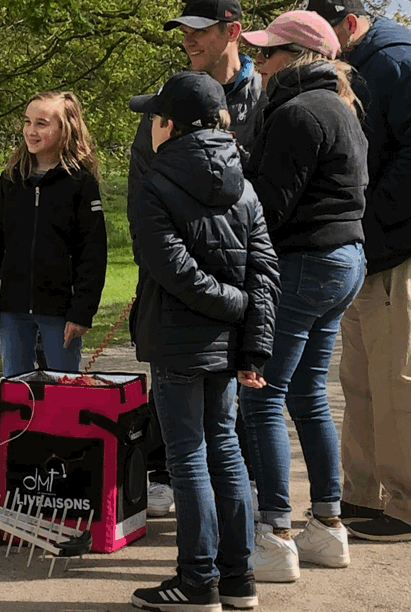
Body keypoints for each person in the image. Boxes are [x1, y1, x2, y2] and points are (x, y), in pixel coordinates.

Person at [304, 0, 411, 542]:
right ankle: (363, 495)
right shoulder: (361, 58)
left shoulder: (395, 57)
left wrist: (373, 220)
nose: (318, 53)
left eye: (322, 40)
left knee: (398, 382)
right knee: (361, 380)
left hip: (404, 247)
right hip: (373, 249)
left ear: (348, 23)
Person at [129, 70, 280, 612]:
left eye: (153, 118)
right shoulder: (245, 183)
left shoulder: (155, 183)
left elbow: (173, 270)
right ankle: (237, 578)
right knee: (226, 451)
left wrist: (240, 312)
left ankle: (198, 580)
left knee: (192, 455)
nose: (149, 127)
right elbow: (264, 270)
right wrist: (252, 339)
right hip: (224, 342)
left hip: (179, 343)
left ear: (169, 125)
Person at [236, 10, 368, 581]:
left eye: (265, 54)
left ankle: (274, 534)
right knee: (308, 394)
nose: (257, 63)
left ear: (295, 57)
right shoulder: (341, 106)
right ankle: (329, 528)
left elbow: (268, 206)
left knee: (263, 396)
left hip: (306, 263)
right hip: (346, 261)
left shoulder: (295, 112)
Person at [127, 0, 264, 518]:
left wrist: (243, 298)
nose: (187, 39)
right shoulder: (170, 99)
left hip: (233, 275)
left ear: (232, 32)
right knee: (190, 431)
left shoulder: (264, 96)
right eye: (182, 30)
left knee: (227, 428)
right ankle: (211, 538)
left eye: (199, 30)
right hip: (179, 279)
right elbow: (146, 185)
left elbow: (262, 200)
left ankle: (222, 549)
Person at [0, 91, 107, 378]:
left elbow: (93, 252)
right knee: (16, 390)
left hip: (59, 312)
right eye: (27, 122)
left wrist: (82, 311)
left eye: (42, 124)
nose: (31, 131)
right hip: (13, 309)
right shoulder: (10, 179)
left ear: (65, 129)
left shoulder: (80, 183)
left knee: (61, 392)